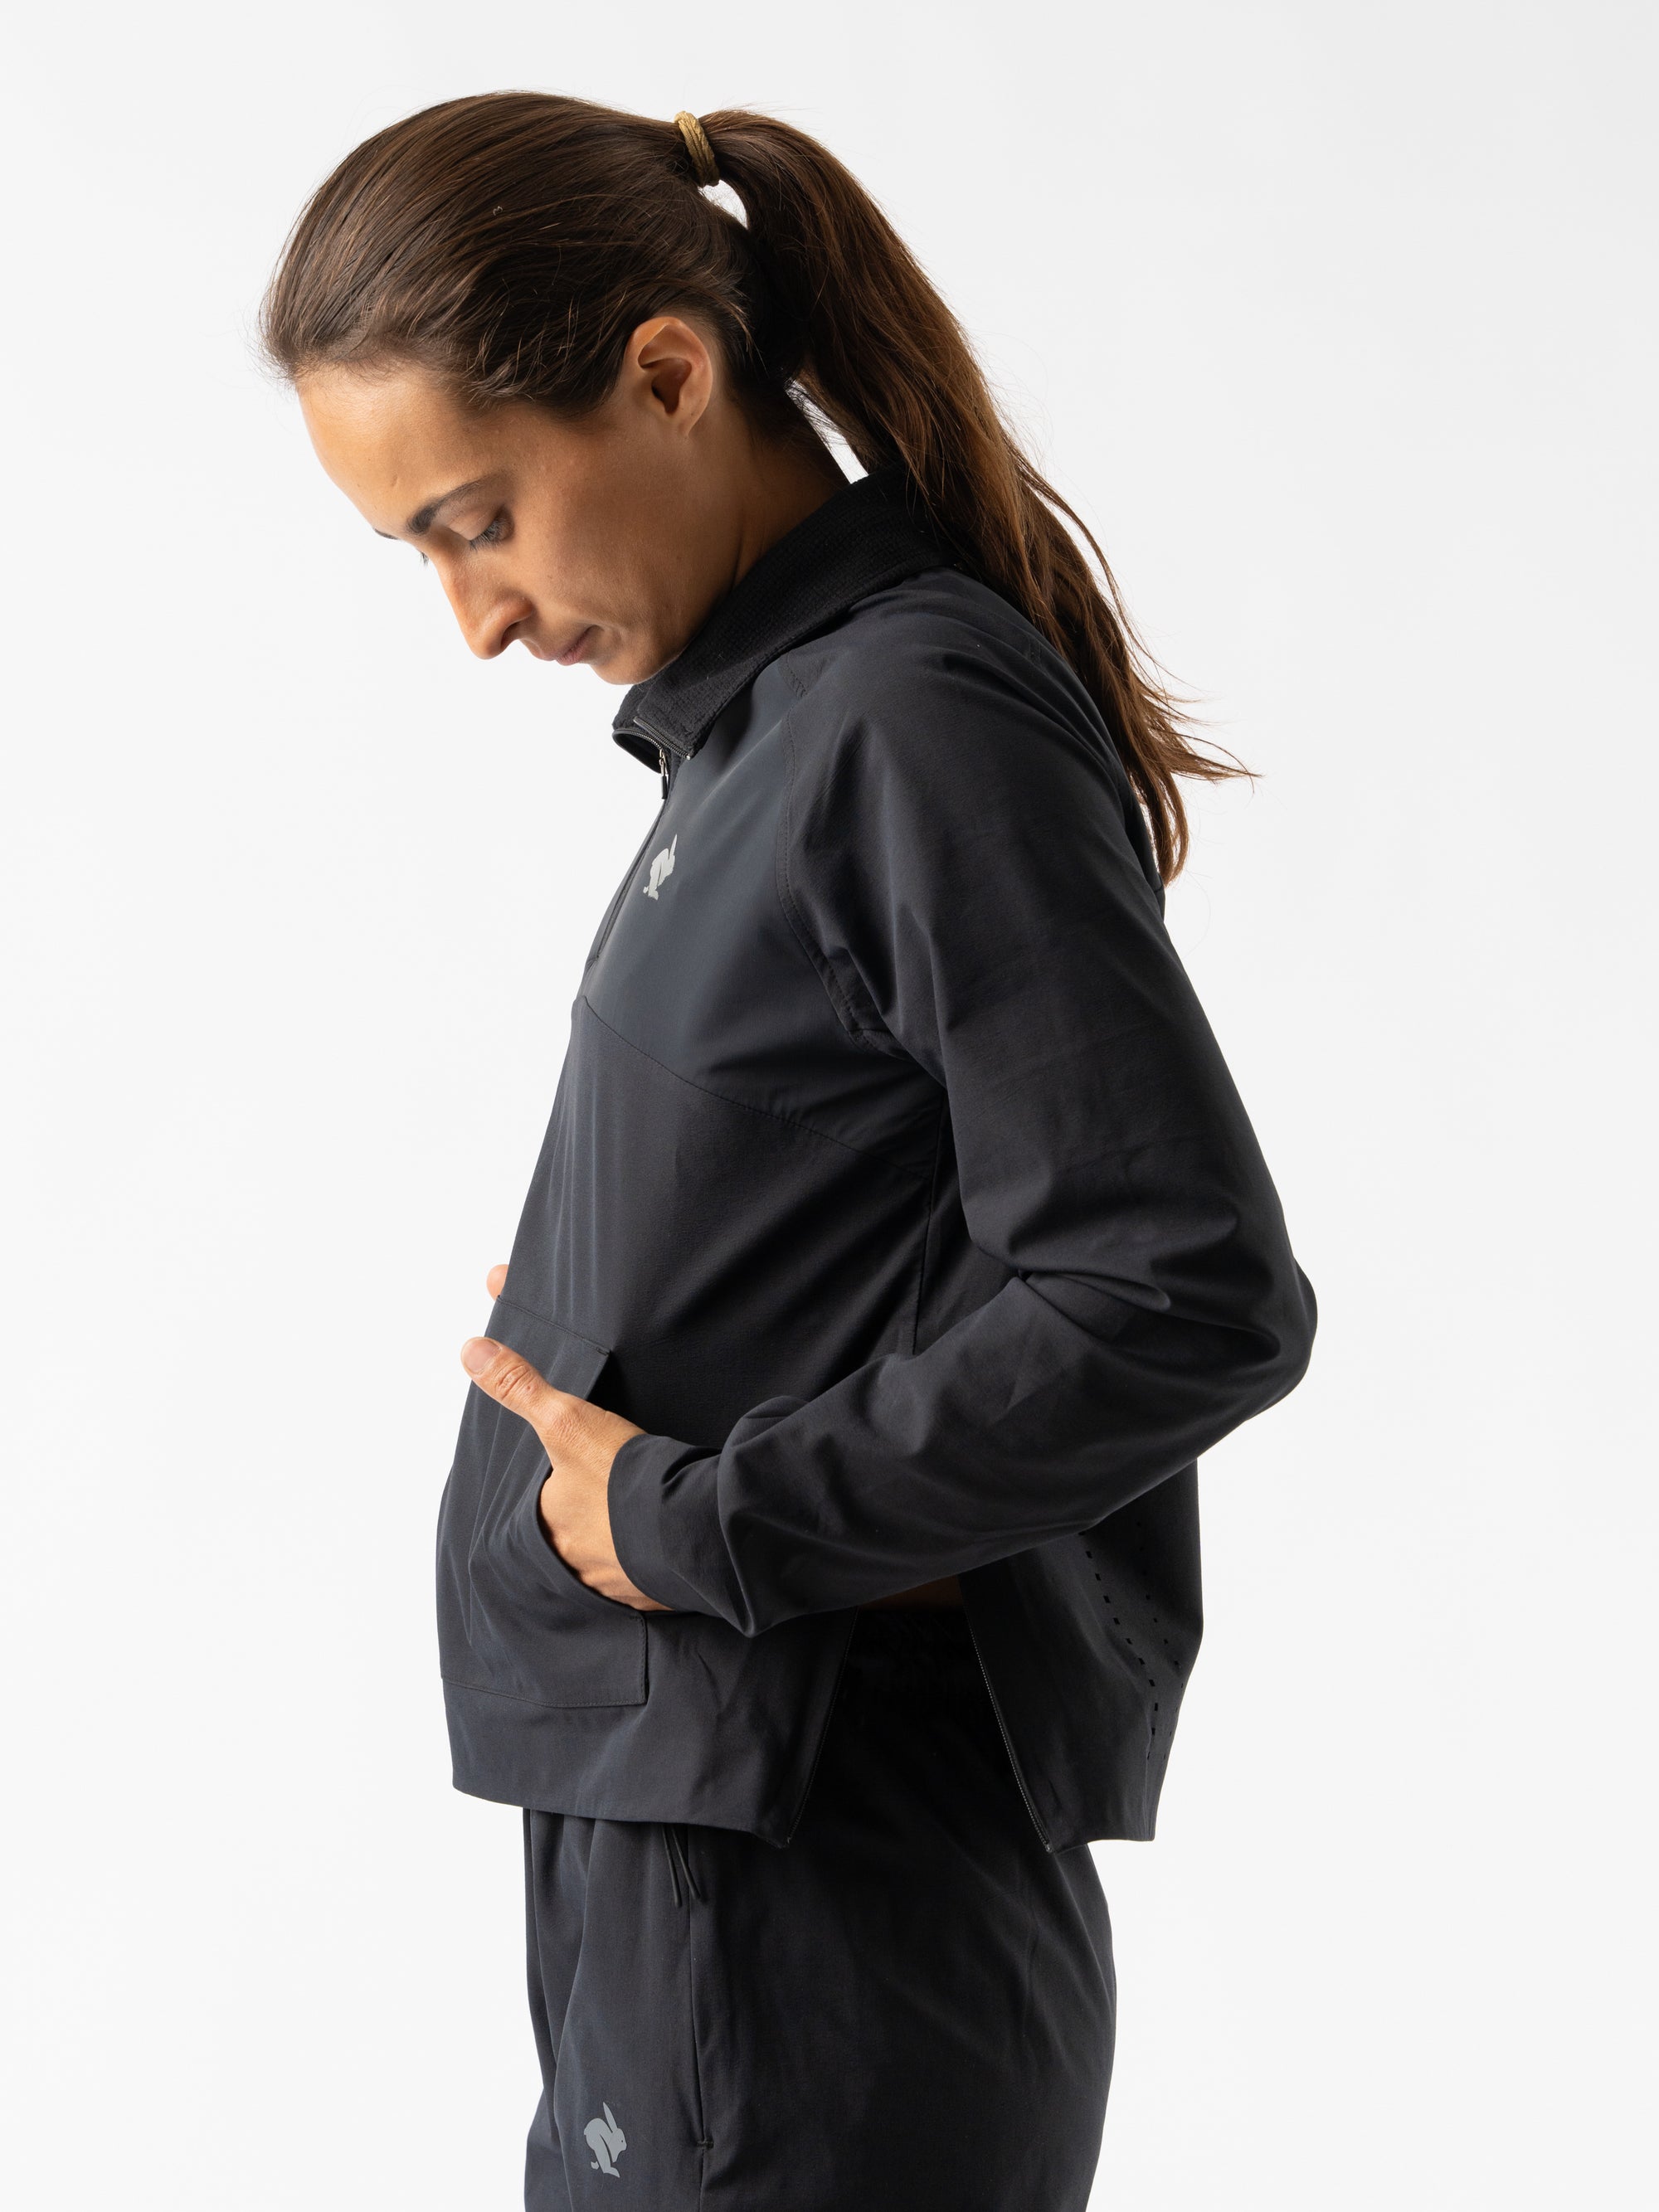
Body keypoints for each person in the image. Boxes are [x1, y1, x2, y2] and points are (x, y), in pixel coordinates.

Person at [260, 94, 1316, 2212]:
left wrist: (697, 1515)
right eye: (420, 553)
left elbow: (1179, 1287)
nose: (474, 617)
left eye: (480, 518)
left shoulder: (906, 716)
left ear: (666, 371)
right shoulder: (766, 736)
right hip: (699, 1859)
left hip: (808, 1887)